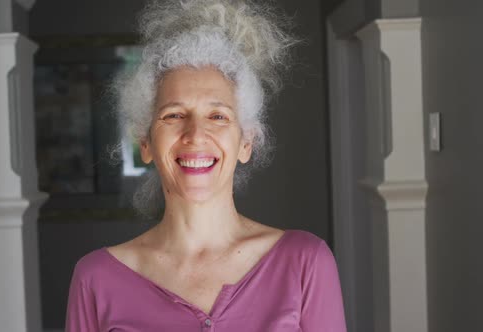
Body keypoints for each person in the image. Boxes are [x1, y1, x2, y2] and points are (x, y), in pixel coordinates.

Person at [66, 0, 347, 331]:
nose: (195, 134)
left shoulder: (305, 262)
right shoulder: (96, 278)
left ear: (246, 142)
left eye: (218, 116)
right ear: (145, 143)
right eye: (174, 115)